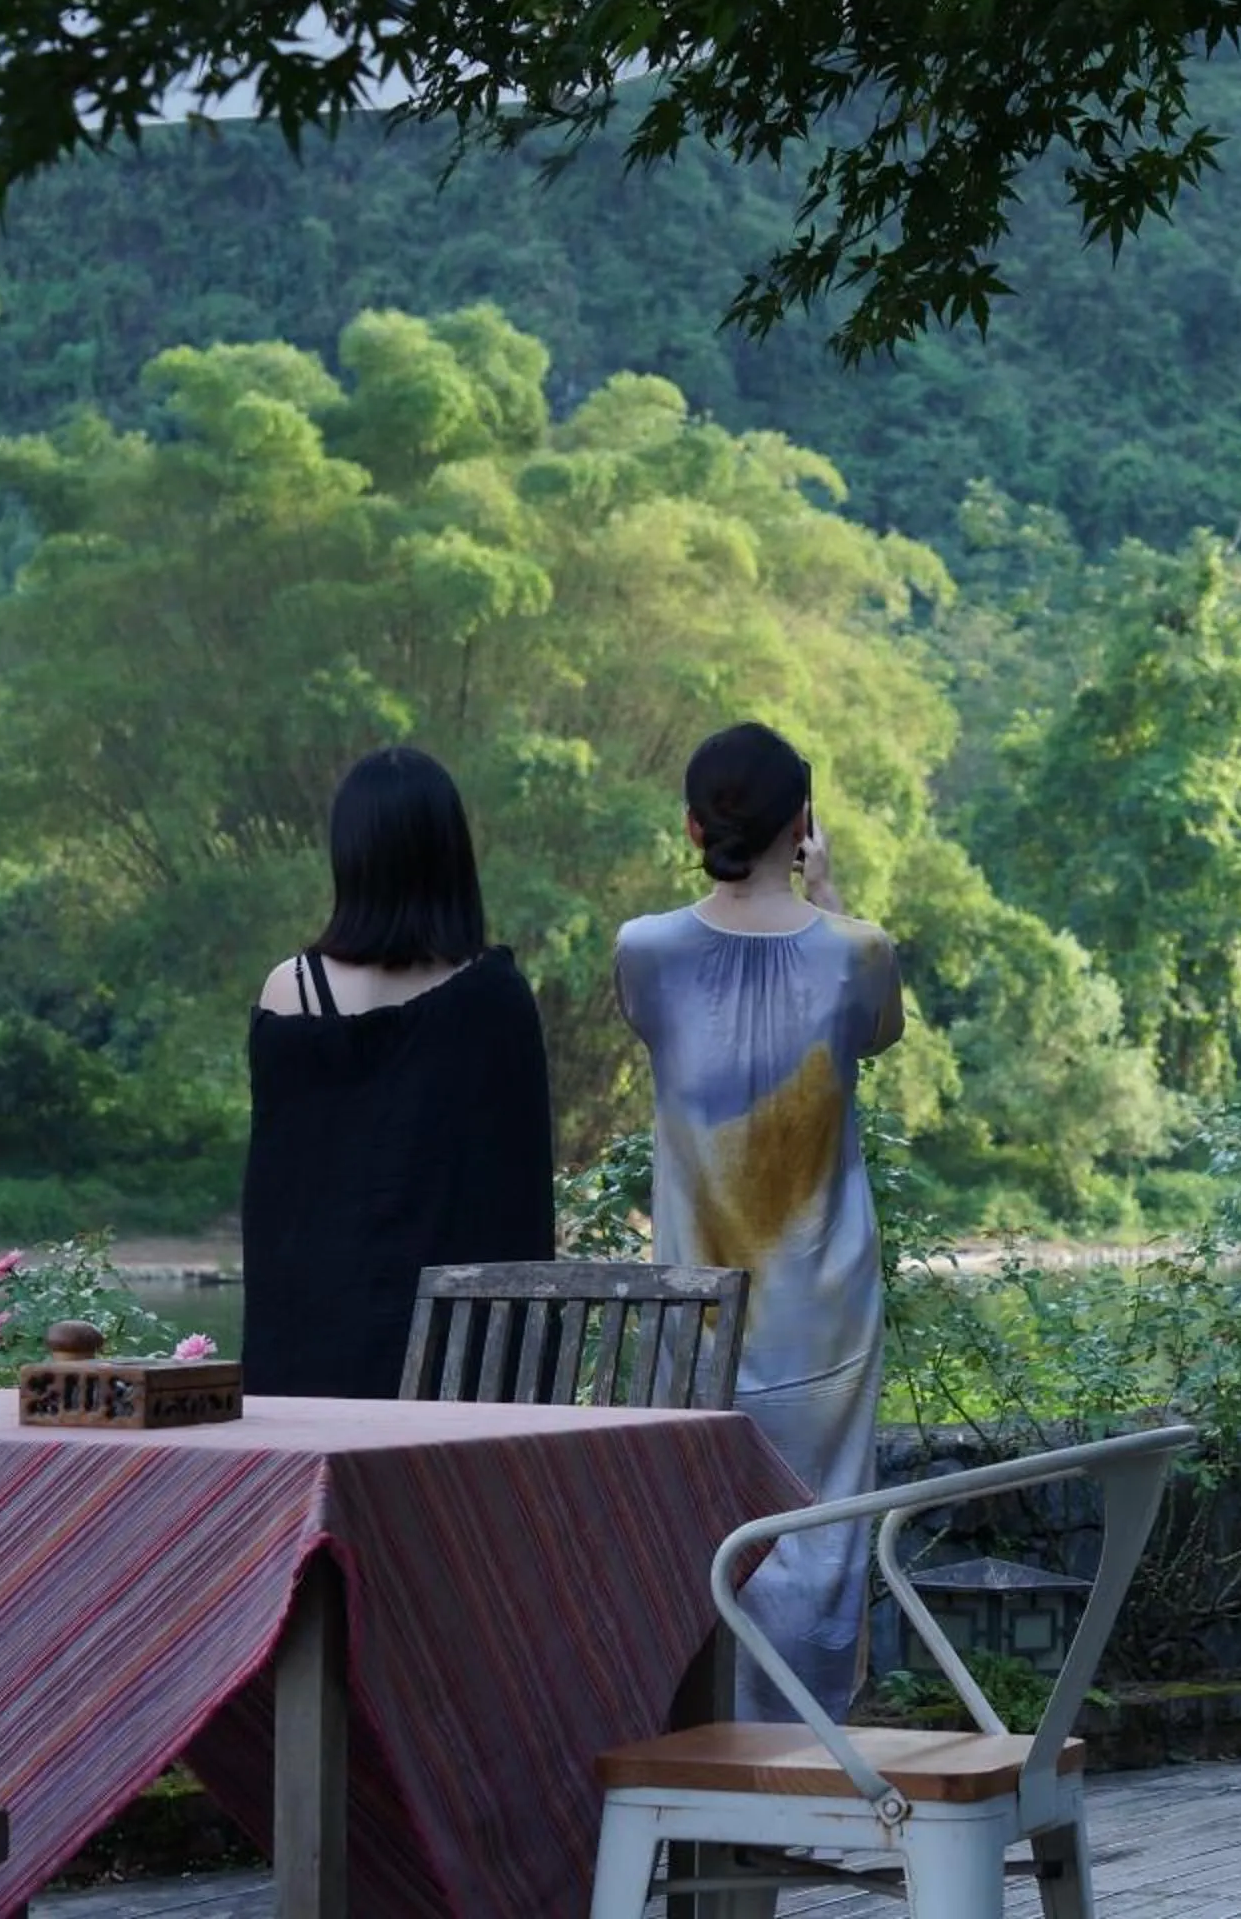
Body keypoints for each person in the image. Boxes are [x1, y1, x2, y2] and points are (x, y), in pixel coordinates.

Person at [613, 722, 906, 1723]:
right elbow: (882, 1029)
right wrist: (826, 894)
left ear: (692, 825)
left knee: (701, 1535)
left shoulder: (644, 950)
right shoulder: (859, 951)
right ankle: (808, 1751)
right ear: (803, 825)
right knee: (822, 1536)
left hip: (699, 1306)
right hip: (825, 1304)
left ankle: (708, 1752)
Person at [240, 747, 556, 1398]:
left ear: (348, 855)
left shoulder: (288, 992)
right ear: (449, 854)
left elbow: (278, 1209)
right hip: (461, 1373)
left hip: (306, 1358)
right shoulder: (494, 997)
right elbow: (516, 1208)